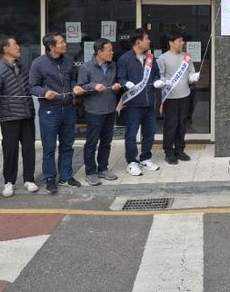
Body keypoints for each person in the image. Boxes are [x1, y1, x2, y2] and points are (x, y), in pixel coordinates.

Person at [29, 31, 83, 194]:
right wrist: (44, 92)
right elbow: (32, 86)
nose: (65, 44)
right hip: (49, 111)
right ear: (51, 47)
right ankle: (50, 178)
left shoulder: (69, 60)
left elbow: (72, 79)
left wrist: (75, 87)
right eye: (61, 42)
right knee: (49, 147)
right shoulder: (38, 63)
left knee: (67, 145)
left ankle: (66, 176)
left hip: (68, 108)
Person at [0, 36, 38, 198]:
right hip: (9, 116)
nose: (18, 47)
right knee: (10, 149)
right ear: (5, 49)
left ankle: (29, 179)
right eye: (15, 45)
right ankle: (9, 182)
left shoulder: (23, 66)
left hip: (27, 114)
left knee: (29, 148)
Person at [116, 28, 162, 176]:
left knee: (150, 132)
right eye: (147, 38)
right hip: (133, 105)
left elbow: (156, 73)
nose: (149, 41)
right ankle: (131, 162)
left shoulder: (150, 58)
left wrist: (157, 81)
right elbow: (120, 78)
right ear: (138, 42)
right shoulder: (124, 59)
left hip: (149, 103)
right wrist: (126, 83)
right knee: (131, 135)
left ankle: (145, 158)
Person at [77, 38, 121, 186]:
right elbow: (80, 87)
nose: (112, 53)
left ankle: (103, 169)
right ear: (99, 52)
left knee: (106, 142)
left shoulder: (113, 65)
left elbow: (115, 83)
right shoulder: (86, 67)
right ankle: (90, 172)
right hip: (94, 110)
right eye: (109, 50)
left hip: (110, 109)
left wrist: (116, 86)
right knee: (92, 142)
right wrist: (93, 86)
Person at [157, 32, 200, 165]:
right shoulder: (162, 58)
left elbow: (191, 72)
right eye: (179, 41)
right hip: (170, 97)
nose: (182, 43)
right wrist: (164, 81)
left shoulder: (186, 57)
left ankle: (180, 150)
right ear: (171, 42)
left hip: (185, 95)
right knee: (171, 125)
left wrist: (193, 77)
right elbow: (159, 76)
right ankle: (169, 152)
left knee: (182, 124)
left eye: (182, 41)